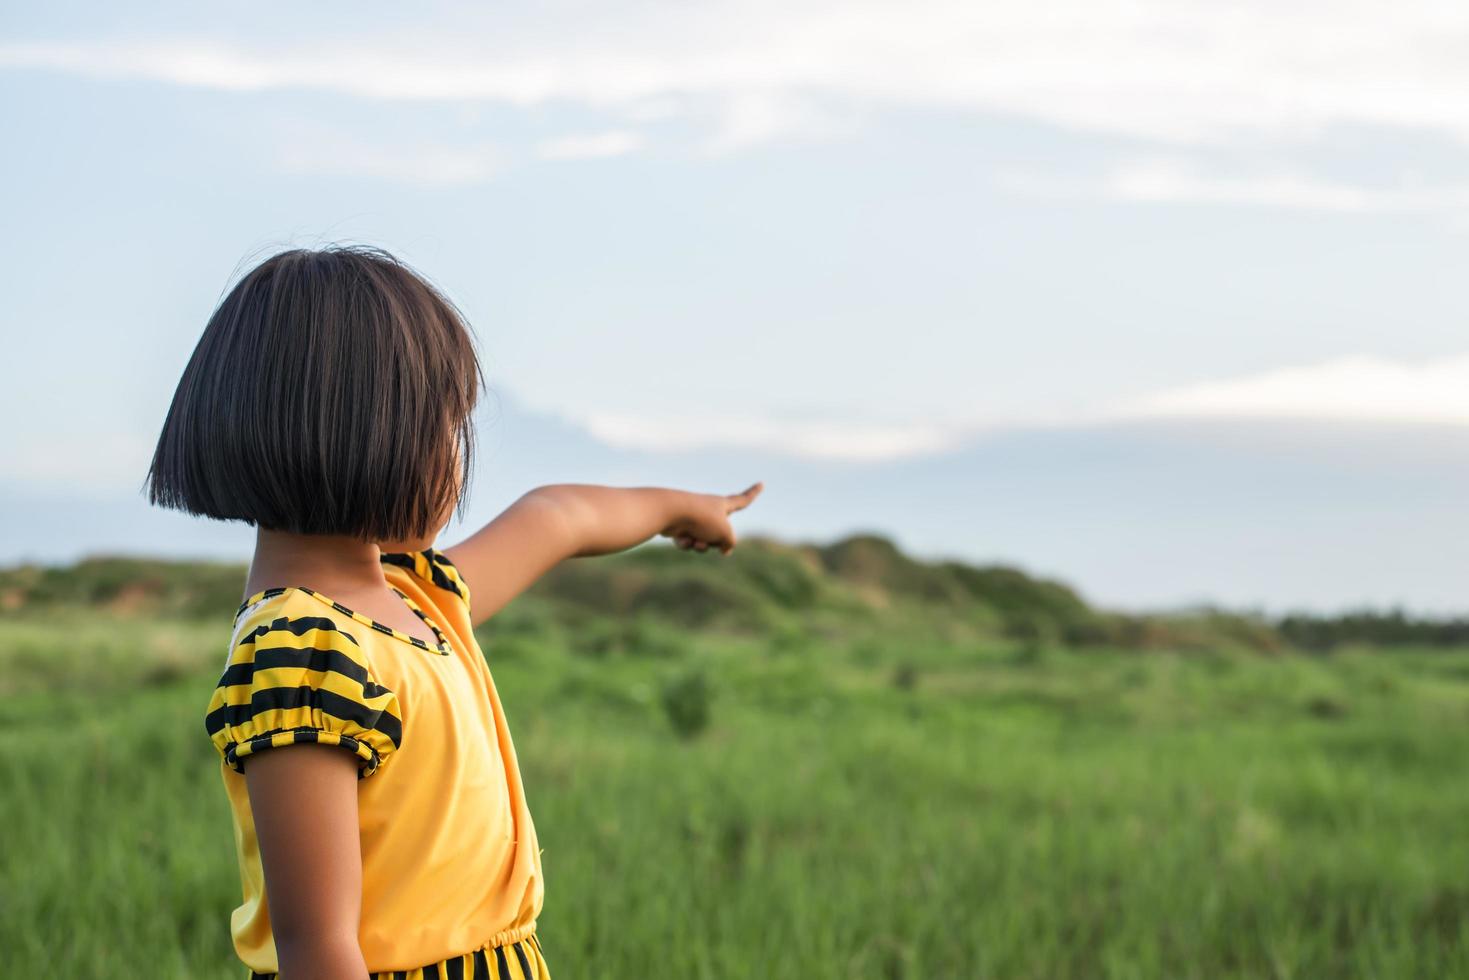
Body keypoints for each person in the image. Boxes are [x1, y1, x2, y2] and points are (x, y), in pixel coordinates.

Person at [145, 244, 763, 979]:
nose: (456, 459)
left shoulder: (414, 597)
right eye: (445, 428)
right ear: (368, 436)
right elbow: (318, 948)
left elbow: (558, 517)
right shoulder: (302, 650)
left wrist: (679, 508)